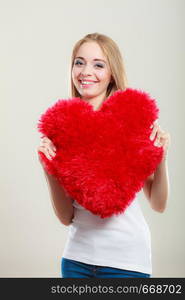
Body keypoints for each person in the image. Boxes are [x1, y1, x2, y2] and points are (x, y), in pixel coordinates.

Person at [37, 33, 170, 278]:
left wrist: (161, 158)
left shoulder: (132, 120)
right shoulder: (62, 127)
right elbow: (67, 217)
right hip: (76, 260)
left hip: (128, 263)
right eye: (79, 62)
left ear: (111, 73)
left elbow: (158, 204)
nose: (86, 71)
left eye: (98, 64)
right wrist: (49, 170)